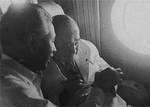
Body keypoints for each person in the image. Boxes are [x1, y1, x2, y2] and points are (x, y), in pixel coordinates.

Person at [0, 3, 126, 107]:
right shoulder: (14, 92)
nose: (54, 49)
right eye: (52, 40)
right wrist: (99, 87)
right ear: (32, 42)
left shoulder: (25, 74)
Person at [41, 14, 126, 107]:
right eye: (67, 45)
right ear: (52, 43)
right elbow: (42, 103)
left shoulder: (87, 47)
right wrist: (65, 96)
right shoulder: (42, 69)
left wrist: (109, 80)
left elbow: (109, 72)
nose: (74, 50)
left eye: (76, 42)